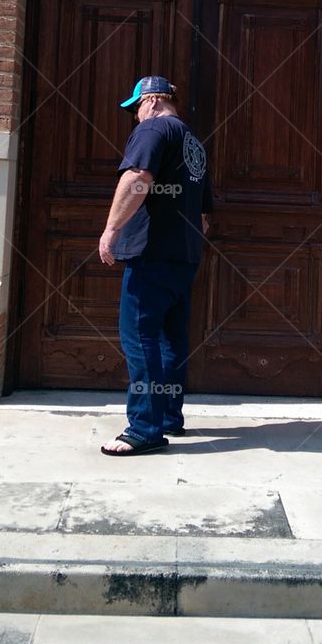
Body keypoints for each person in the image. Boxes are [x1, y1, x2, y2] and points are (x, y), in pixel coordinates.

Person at [98, 75, 213, 456]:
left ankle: (144, 429)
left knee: (139, 335)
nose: (135, 117)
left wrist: (111, 230)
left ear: (150, 101)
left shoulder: (153, 129)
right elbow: (204, 215)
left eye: (135, 108)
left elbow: (138, 178)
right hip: (184, 255)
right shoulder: (193, 143)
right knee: (170, 338)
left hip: (151, 252)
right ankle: (167, 418)